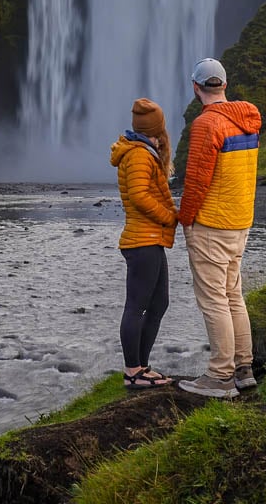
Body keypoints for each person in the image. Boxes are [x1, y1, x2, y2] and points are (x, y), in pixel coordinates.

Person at [176, 58, 262, 399]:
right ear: (224, 85)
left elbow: (197, 180)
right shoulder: (250, 121)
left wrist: (185, 218)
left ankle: (220, 376)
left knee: (213, 300)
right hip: (241, 220)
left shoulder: (206, 125)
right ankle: (244, 369)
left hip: (212, 223)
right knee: (233, 296)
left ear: (196, 88)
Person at [110, 97, 181, 389]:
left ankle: (141, 366)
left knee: (158, 303)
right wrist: (168, 216)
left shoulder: (144, 151)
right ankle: (133, 371)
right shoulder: (140, 154)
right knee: (137, 305)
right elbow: (139, 196)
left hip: (149, 239)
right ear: (156, 128)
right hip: (143, 240)